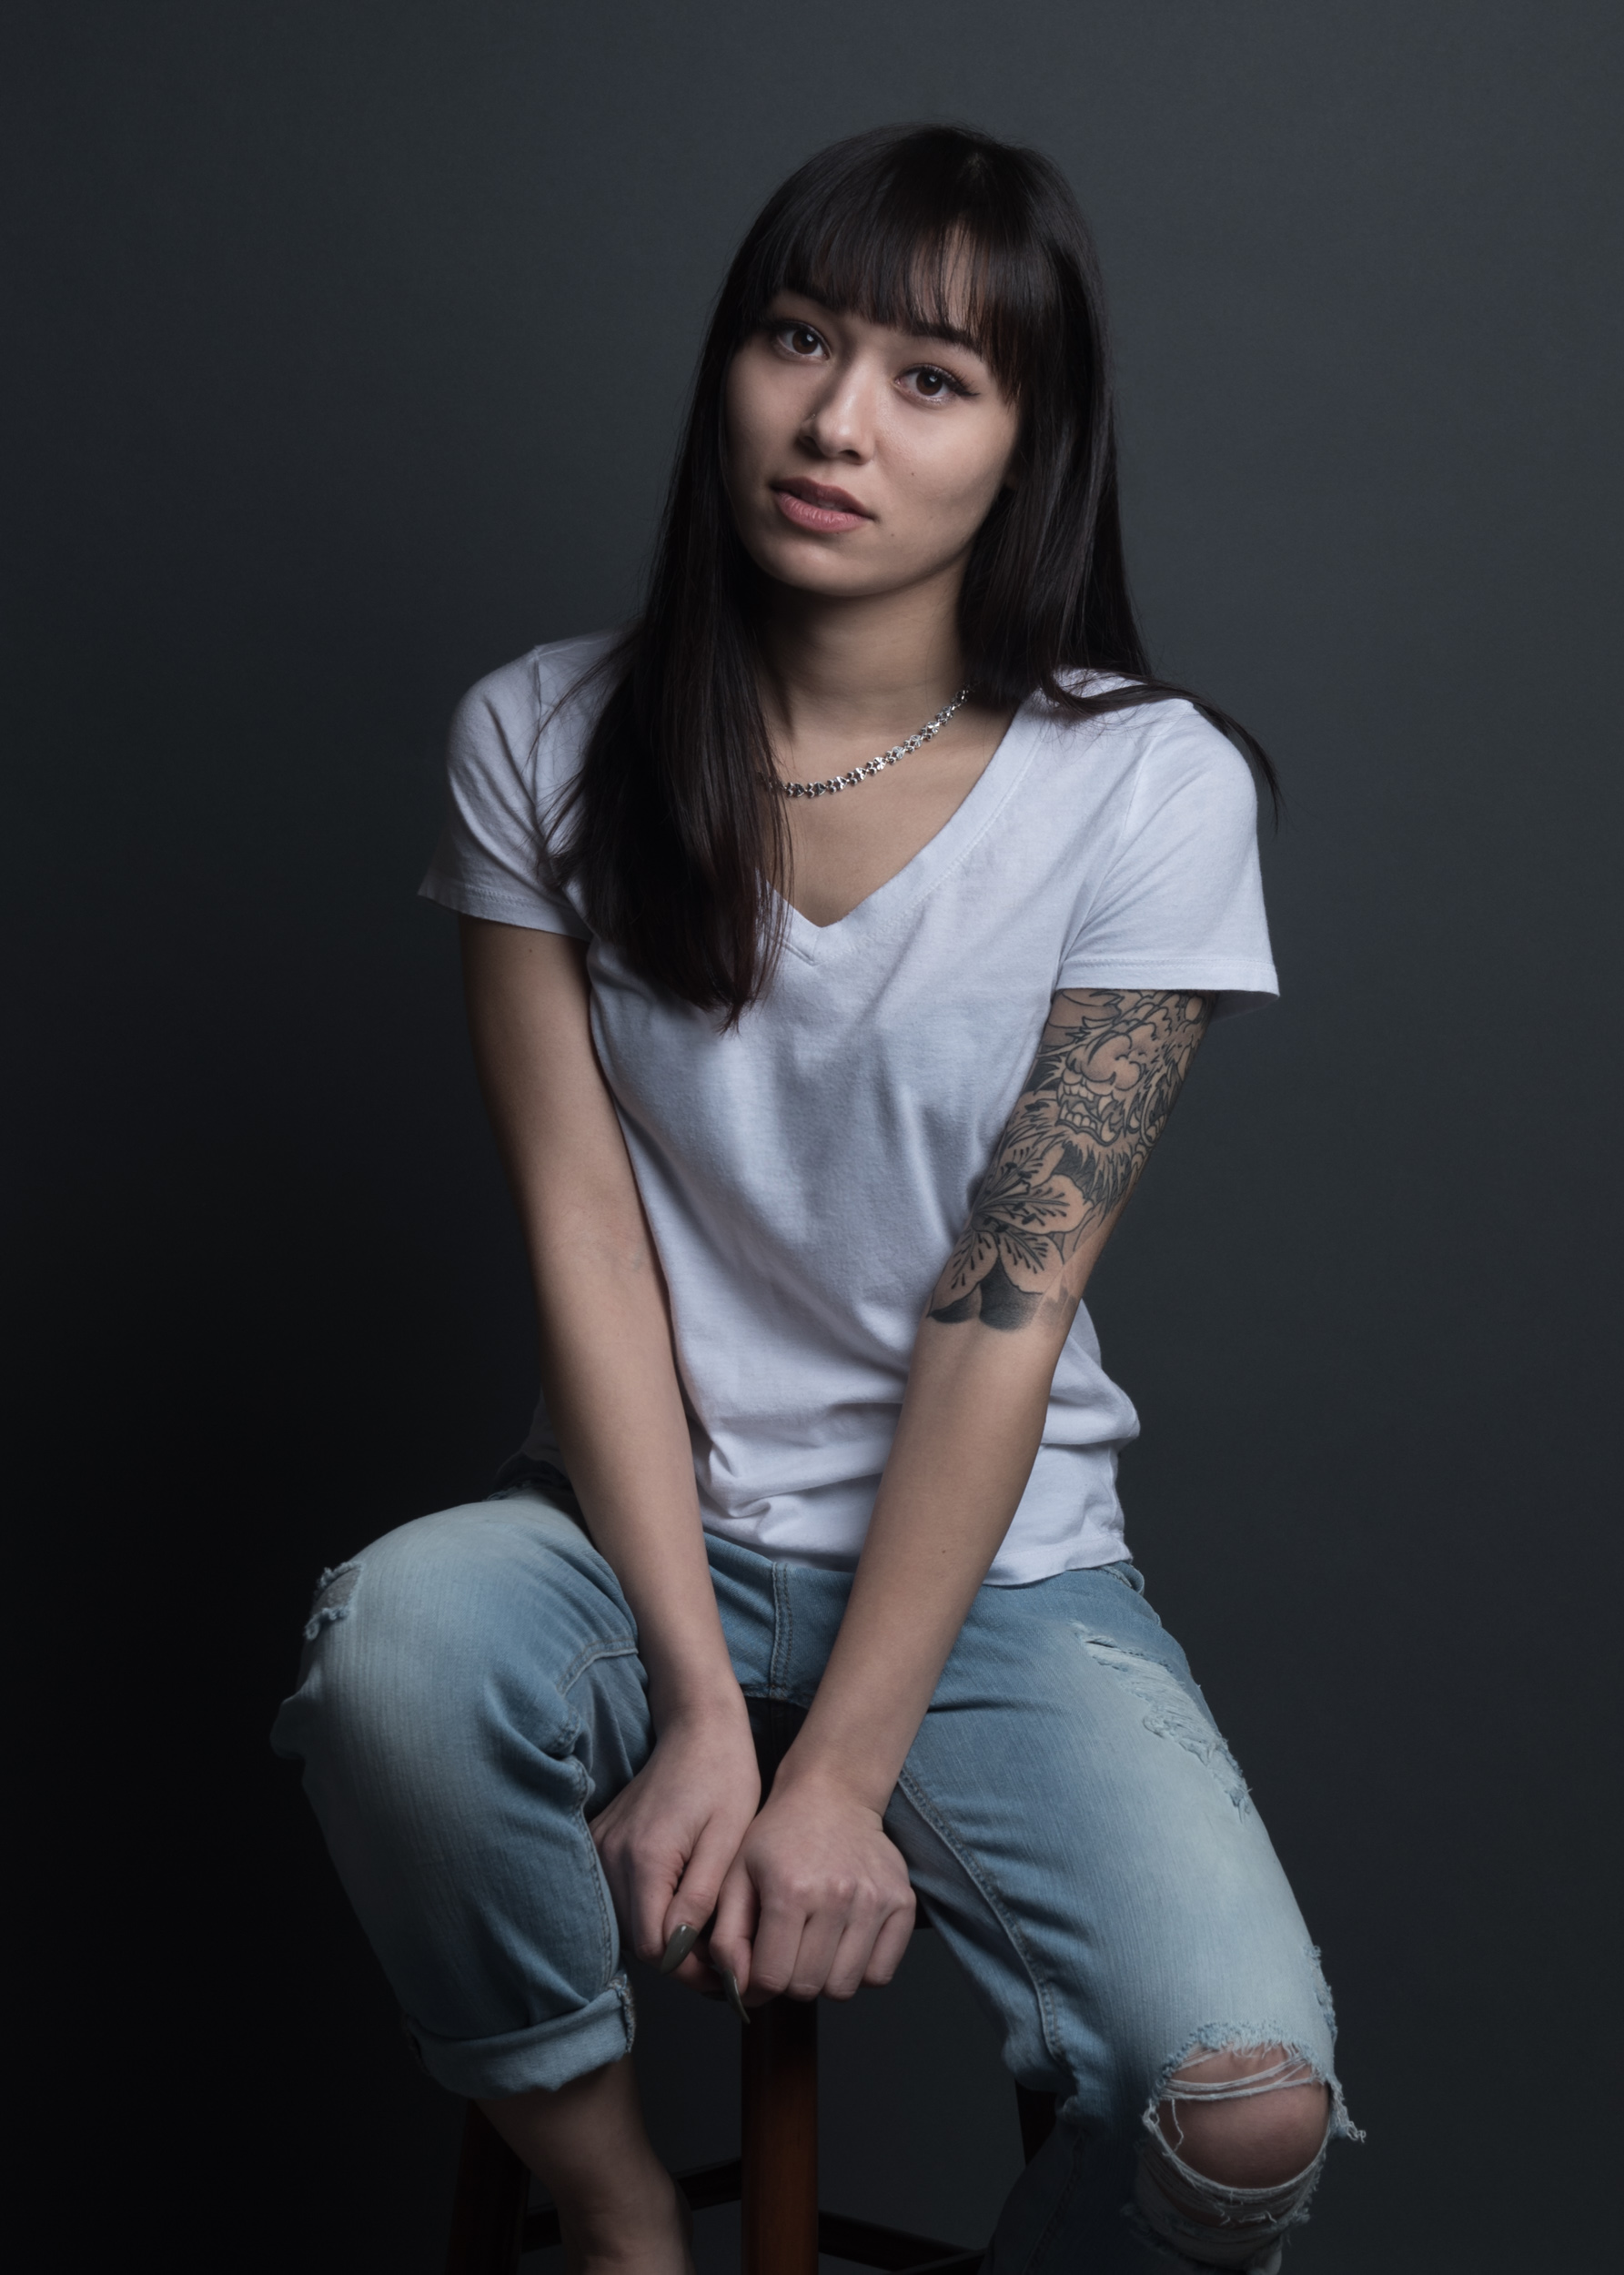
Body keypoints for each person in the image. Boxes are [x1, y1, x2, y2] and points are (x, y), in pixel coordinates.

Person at [273, 124, 1357, 2275]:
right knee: (394, 1643)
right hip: (625, 1535)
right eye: (796, 339)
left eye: (930, 378)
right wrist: (697, 1701)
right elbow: (585, 1236)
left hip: (991, 1576)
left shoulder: (1145, 785)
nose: (837, 419)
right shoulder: (542, 733)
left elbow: (998, 1307)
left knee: (1239, 2111)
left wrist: (837, 1768)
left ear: (1028, 445)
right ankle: (612, 2218)